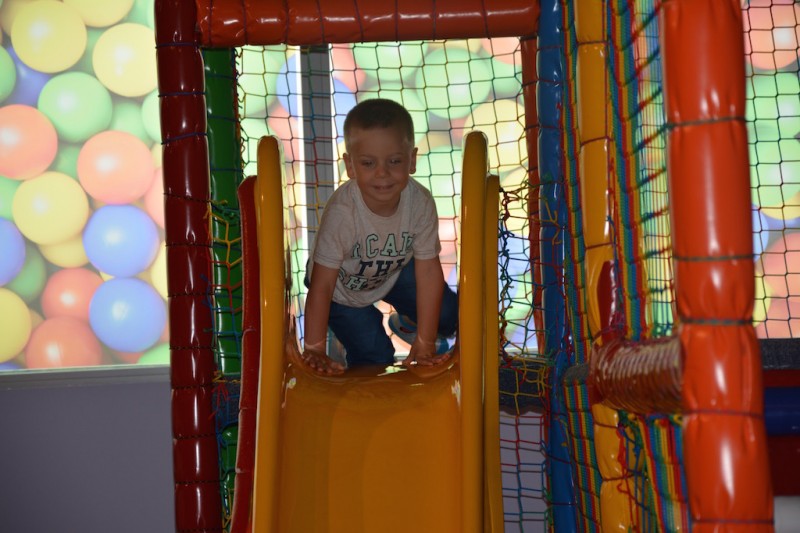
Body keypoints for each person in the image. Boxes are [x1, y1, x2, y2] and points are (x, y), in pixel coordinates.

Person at [302, 98, 458, 375]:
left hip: (392, 274)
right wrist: (314, 347)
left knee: (450, 314)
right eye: (368, 163)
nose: (382, 173)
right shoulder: (343, 213)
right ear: (350, 166)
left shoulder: (419, 202)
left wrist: (425, 341)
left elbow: (428, 272)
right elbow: (322, 285)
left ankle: (409, 324)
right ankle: (346, 338)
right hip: (340, 290)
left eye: (394, 161)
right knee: (374, 358)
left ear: (412, 160)